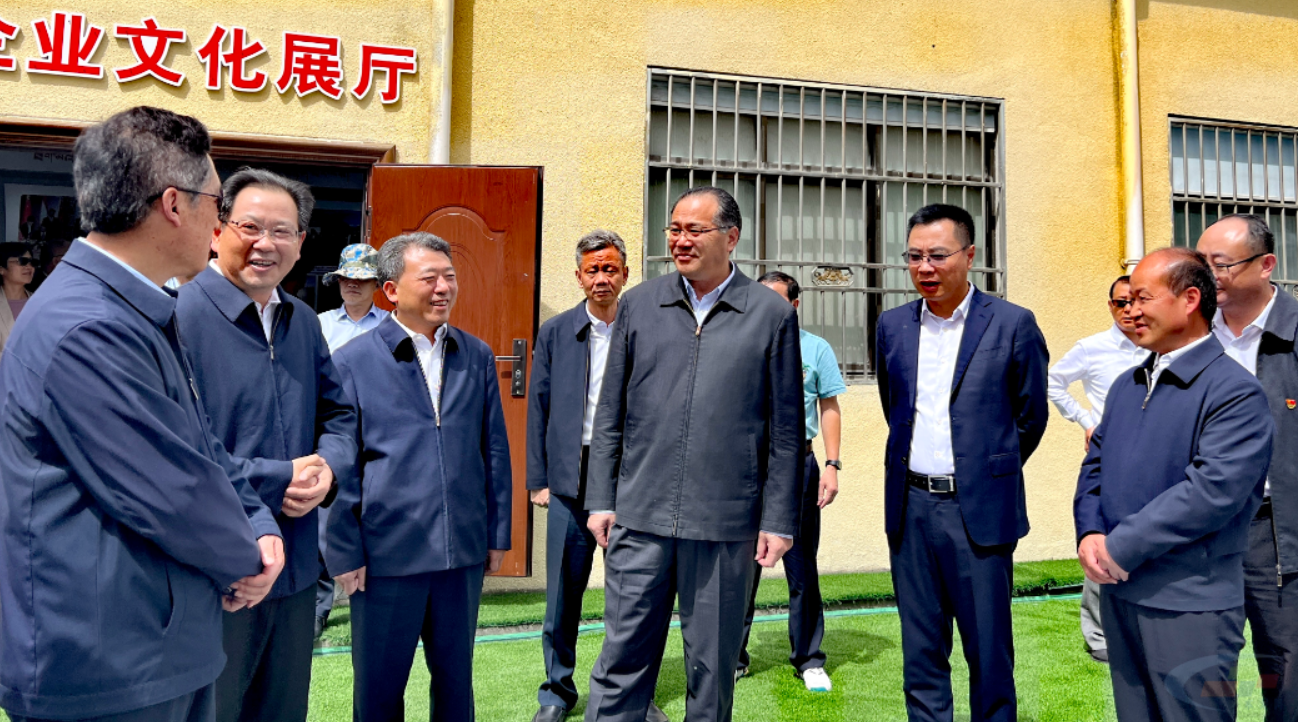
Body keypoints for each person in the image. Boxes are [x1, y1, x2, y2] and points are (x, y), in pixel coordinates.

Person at [0, 106, 283, 722]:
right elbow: (170, 488)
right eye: (218, 203)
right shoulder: (87, 325)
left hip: (156, 643)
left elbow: (200, 443)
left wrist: (259, 520)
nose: (221, 224)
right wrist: (249, 557)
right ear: (174, 204)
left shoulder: (132, 306)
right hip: (108, 665)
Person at [583, 186, 804, 722]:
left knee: (711, 669)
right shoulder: (640, 303)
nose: (680, 241)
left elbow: (786, 432)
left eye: (694, 230)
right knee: (620, 662)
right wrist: (601, 499)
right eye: (674, 229)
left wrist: (778, 520)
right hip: (640, 517)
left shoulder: (771, 314)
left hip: (725, 524)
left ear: (731, 237)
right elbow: (610, 411)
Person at [175, 168, 358, 722]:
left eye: (282, 231)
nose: (266, 244)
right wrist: (280, 479)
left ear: (300, 243)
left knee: (282, 709)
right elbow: (179, 449)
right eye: (250, 227)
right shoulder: (176, 318)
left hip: (296, 569)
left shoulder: (302, 320)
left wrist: (328, 468)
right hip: (216, 571)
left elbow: (339, 414)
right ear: (217, 231)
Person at [1075, 247, 1273, 722]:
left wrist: (1119, 546)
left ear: (1189, 300)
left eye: (1143, 298)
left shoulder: (1234, 391)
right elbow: (1094, 465)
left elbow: (1211, 492)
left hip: (1190, 604)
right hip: (1122, 594)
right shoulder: (1127, 385)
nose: (1131, 310)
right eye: (1127, 301)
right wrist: (1090, 532)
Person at [327, 232, 512, 722]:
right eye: (429, 278)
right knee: (379, 691)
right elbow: (341, 465)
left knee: (455, 685)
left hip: (460, 554)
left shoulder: (476, 354)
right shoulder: (352, 361)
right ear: (391, 290)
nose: (443, 288)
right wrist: (344, 550)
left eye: (449, 277)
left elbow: (493, 449)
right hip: (386, 555)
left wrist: (496, 532)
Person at [875, 203, 1049, 722]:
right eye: (914, 257)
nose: (924, 267)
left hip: (978, 512)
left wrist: (984, 471)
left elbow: (1030, 417)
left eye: (937, 255)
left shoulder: (1012, 323)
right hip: (910, 508)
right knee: (921, 652)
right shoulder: (892, 325)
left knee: (988, 652)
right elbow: (894, 406)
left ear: (970, 255)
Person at [528, 231, 670, 722]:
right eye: (593, 270)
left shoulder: (648, 328)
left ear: (626, 273)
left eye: (610, 269)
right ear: (579, 276)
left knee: (634, 597)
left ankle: (634, 694)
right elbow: (538, 408)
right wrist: (539, 478)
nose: (602, 278)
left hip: (632, 477)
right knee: (562, 595)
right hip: (571, 477)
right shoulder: (556, 332)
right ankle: (556, 692)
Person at [1197, 214, 1298, 722]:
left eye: (1221, 264)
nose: (1207, 275)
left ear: (1266, 264)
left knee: (1286, 668)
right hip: (1200, 528)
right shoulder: (1191, 337)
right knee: (1200, 668)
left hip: (1275, 529)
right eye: (1201, 263)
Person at [735, 271, 845, 692]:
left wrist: (832, 464)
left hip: (798, 464)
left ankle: (809, 657)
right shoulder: (741, 342)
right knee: (741, 566)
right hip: (747, 466)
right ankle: (733, 656)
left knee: (801, 566)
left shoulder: (814, 349)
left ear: (794, 306)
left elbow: (829, 407)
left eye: (775, 301)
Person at [1047, 274, 1145, 664]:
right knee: (1101, 540)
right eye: (1121, 302)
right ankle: (1099, 634)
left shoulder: (1161, 347)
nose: (1128, 309)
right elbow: (1052, 382)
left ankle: (1142, 627)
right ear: (1110, 306)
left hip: (1154, 457)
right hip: (1109, 458)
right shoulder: (1092, 348)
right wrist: (1087, 421)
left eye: (1135, 301)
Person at [314, 242, 388, 638]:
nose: (352, 285)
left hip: (377, 431)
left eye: (361, 279)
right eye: (346, 278)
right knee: (323, 512)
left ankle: (376, 593)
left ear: (377, 284)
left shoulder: (391, 327)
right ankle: (318, 606)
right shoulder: (319, 325)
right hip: (329, 430)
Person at [0, 242, 35, 356]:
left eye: (32, 262)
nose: (29, 267)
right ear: (1, 269)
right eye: (22, 261)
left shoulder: (40, 302)